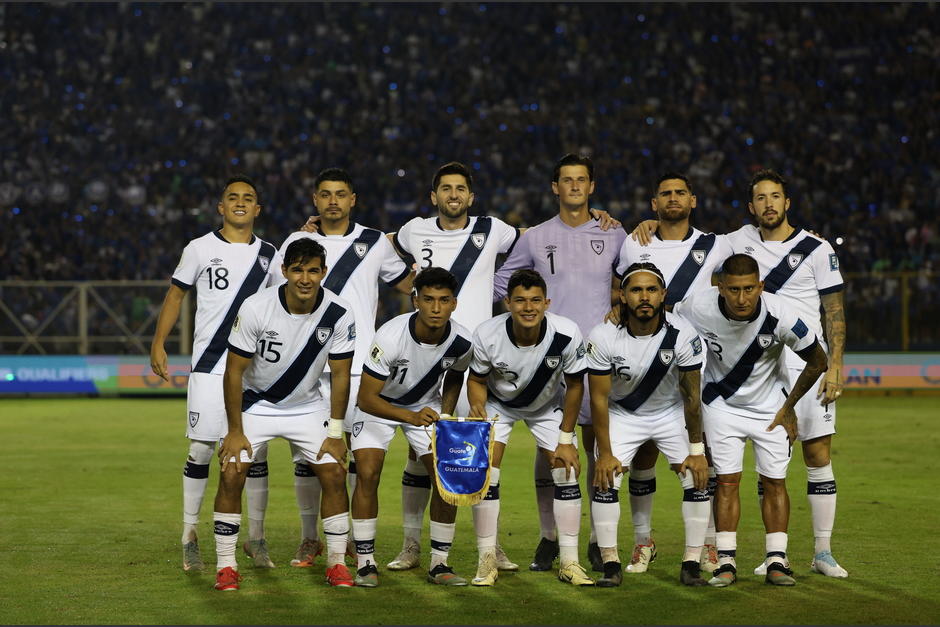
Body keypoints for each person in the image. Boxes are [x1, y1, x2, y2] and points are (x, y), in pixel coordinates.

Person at [634, 168, 848, 578]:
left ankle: (822, 551)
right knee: (730, 469)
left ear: (788, 202)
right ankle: (727, 553)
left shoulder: (817, 248)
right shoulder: (732, 242)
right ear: (752, 207)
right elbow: (684, 241)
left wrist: (835, 365)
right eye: (761, 198)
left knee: (816, 455)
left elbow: (834, 311)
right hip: (741, 366)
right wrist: (651, 224)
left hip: (804, 360)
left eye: (776, 196)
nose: (769, 204)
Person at [252, 168, 413, 569]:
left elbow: (410, 284)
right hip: (303, 369)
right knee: (307, 460)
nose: (333, 201)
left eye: (341, 194)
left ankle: (357, 541)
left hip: (358, 368)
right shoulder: (296, 242)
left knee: (359, 458)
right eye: (325, 195)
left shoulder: (376, 242)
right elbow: (276, 296)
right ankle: (311, 539)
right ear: (315, 200)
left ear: (353, 199)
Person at [493, 153, 626, 572]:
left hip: (600, 353)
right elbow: (501, 281)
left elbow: (636, 272)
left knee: (595, 442)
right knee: (550, 445)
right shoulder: (534, 237)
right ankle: (550, 536)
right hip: (550, 358)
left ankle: (594, 537)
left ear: (591, 187)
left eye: (581, 180)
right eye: (566, 180)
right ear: (555, 187)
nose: (573, 186)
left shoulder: (615, 233)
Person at [385, 162, 521, 572]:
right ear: (434, 196)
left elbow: (533, 241)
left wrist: (599, 219)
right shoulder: (413, 230)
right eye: (445, 188)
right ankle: (411, 545)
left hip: (474, 361)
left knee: (479, 459)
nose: (453, 194)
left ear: (471, 197)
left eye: (460, 188)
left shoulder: (494, 230)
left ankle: (489, 546)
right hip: (427, 359)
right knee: (418, 457)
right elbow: (383, 246)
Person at [672, 253, 828, 587]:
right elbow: (665, 322)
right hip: (721, 407)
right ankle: (726, 563)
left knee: (775, 482)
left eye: (748, 289)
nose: (742, 299)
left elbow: (818, 360)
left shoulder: (781, 313)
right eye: (733, 290)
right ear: (720, 287)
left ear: (759, 286)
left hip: (770, 410)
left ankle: (777, 560)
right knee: (726, 482)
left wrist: (789, 407)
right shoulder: (697, 306)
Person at [149, 175, 280, 572]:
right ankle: (189, 535)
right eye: (232, 198)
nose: (240, 203)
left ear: (257, 209)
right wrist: (158, 342)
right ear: (220, 208)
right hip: (209, 366)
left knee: (255, 453)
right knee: (201, 450)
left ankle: (255, 539)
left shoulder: (271, 255)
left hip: (255, 370)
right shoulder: (199, 248)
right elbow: (175, 294)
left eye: (249, 198)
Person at [211, 237, 357, 591]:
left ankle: (337, 564)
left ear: (323, 272)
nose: (305, 279)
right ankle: (226, 565)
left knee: (335, 473)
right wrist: (234, 430)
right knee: (232, 472)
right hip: (255, 405)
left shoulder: (339, 312)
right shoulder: (256, 307)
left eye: (312, 270)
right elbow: (233, 371)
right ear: (284, 272)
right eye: (297, 270)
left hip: (307, 406)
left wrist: (335, 434)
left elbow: (340, 376)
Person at [613, 172, 734, 575]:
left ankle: (710, 545)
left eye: (680, 192)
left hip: (699, 363)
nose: (673, 198)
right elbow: (620, 286)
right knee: (644, 454)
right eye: (665, 193)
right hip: (645, 360)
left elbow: (753, 261)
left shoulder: (716, 245)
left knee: (706, 456)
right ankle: (642, 542)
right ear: (654, 204)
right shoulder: (636, 242)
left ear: (693, 200)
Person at [466, 269, 594, 587]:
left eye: (535, 300)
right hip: (498, 406)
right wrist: (477, 406)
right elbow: (477, 379)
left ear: (546, 302)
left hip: (546, 406)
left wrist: (566, 438)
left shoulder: (566, 332)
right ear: (507, 302)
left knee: (566, 470)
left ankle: (570, 562)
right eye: (520, 300)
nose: (528, 307)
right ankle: (487, 560)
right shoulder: (487, 333)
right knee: (485, 475)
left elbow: (576, 385)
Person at [587, 262, 710, 588]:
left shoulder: (684, 334)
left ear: (663, 295)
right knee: (605, 478)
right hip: (623, 414)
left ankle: (691, 564)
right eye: (636, 290)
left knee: (697, 478)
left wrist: (697, 451)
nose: (645, 297)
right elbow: (598, 399)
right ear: (623, 296)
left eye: (652, 290)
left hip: (670, 414)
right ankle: (610, 565)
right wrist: (606, 453)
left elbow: (691, 398)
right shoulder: (602, 336)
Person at [349, 267, 473, 588]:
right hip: (379, 406)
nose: (435, 308)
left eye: (443, 300)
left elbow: (456, 374)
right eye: (428, 299)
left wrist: (445, 414)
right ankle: (365, 563)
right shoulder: (390, 337)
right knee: (367, 472)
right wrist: (409, 418)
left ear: (454, 304)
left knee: (447, 477)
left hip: (424, 409)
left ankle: (439, 564)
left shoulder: (462, 341)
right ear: (415, 299)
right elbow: (365, 399)